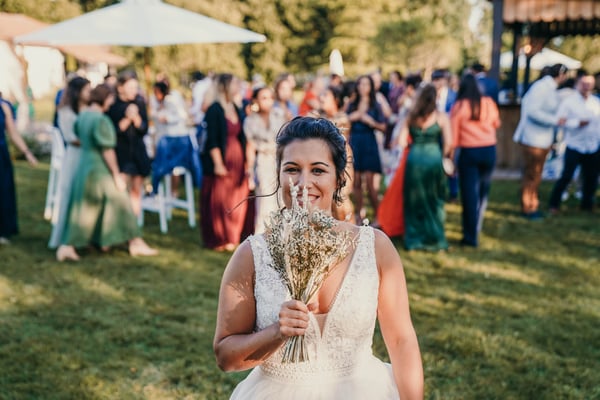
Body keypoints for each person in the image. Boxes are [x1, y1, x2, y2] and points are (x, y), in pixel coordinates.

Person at [214, 116, 423, 399]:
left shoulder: (375, 247)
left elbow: (401, 341)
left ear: (338, 178)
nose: (304, 182)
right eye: (292, 169)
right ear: (279, 175)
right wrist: (277, 332)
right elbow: (225, 357)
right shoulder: (251, 255)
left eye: (318, 170)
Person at [56, 84, 157, 261]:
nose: (111, 103)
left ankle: (90, 243)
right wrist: (116, 175)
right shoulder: (100, 120)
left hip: (84, 165)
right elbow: (107, 150)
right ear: (104, 98)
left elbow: (79, 136)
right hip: (98, 167)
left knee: (84, 207)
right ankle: (135, 242)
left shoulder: (83, 116)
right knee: (121, 201)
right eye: (110, 99)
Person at [398, 84, 452, 251]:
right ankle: (435, 238)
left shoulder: (410, 116)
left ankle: (414, 239)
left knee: (414, 200)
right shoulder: (441, 117)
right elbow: (449, 143)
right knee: (434, 198)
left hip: (415, 160)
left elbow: (401, 141)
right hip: (433, 159)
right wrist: (444, 156)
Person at [200, 73, 250, 252]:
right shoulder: (214, 109)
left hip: (238, 156)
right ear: (225, 87)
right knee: (221, 198)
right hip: (223, 157)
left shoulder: (235, 107)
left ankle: (233, 235)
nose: (238, 87)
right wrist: (218, 163)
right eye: (235, 84)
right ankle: (220, 237)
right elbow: (212, 140)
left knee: (236, 196)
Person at [450, 74, 501, 247]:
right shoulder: (489, 103)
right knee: (483, 191)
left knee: (469, 194)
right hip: (489, 150)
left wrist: (451, 158)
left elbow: (453, 137)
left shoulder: (459, 106)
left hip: (470, 151)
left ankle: (470, 236)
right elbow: (497, 123)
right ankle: (476, 225)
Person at [513, 63, 568, 220]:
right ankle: (527, 207)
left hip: (543, 138)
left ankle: (533, 204)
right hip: (533, 138)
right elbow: (533, 112)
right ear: (561, 75)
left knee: (536, 174)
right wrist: (555, 120)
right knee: (531, 173)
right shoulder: (541, 88)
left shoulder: (550, 89)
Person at [48, 76, 91, 252]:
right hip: (75, 156)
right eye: (87, 90)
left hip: (88, 156)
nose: (90, 93)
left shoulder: (89, 109)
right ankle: (65, 239)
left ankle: (85, 238)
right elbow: (71, 137)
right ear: (77, 91)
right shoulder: (66, 111)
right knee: (70, 196)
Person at [548, 73, 600, 213]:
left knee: (591, 177)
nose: (586, 87)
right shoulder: (569, 102)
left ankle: (587, 205)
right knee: (567, 176)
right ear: (578, 84)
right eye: (584, 83)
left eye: (589, 84)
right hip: (574, 145)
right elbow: (559, 121)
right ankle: (554, 204)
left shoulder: (596, 102)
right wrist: (577, 123)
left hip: (592, 146)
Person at [106, 70, 151, 217]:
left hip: (137, 152)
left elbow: (144, 129)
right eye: (131, 87)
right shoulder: (112, 105)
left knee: (136, 190)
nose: (134, 91)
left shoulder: (139, 102)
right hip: (121, 153)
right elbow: (111, 132)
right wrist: (127, 118)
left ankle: (134, 222)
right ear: (120, 88)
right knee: (119, 191)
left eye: (136, 87)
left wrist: (136, 117)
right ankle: (118, 222)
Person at [244, 86, 287, 233]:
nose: (268, 101)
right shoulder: (250, 120)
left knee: (282, 198)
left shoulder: (279, 115)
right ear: (256, 100)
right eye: (264, 98)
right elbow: (250, 146)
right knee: (265, 200)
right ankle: (262, 236)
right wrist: (250, 170)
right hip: (263, 161)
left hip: (280, 159)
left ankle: (282, 234)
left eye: (270, 98)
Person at [346, 75, 387, 225]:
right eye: (360, 84)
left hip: (369, 142)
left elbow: (384, 127)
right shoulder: (352, 104)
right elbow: (343, 120)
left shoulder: (375, 105)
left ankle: (379, 215)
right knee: (356, 181)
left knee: (371, 184)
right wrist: (352, 117)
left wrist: (371, 122)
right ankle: (360, 213)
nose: (363, 87)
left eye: (366, 84)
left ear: (371, 87)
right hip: (355, 142)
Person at [0, 94, 38, 245]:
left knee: (3, 191)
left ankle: (3, 230)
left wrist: (27, 153)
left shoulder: (4, 106)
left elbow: (13, 133)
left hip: (1, 155)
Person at [313, 84, 354, 221]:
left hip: (340, 159)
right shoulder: (316, 117)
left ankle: (348, 229)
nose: (321, 98)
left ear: (335, 100)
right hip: (320, 160)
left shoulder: (342, 119)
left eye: (326, 95)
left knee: (341, 198)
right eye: (321, 95)